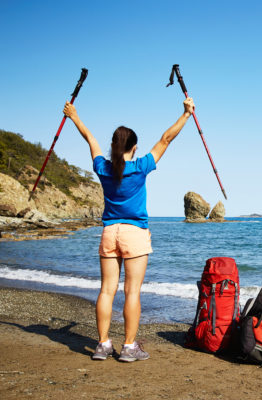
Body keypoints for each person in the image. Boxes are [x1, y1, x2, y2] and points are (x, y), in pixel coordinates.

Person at [64, 97, 195, 362]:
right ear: (135, 148)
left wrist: (74, 116)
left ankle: (102, 345)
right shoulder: (141, 167)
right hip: (134, 234)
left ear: (113, 146)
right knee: (132, 291)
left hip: (110, 233)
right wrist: (186, 114)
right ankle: (129, 347)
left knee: (106, 290)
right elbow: (166, 139)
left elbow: (90, 139)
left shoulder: (102, 167)